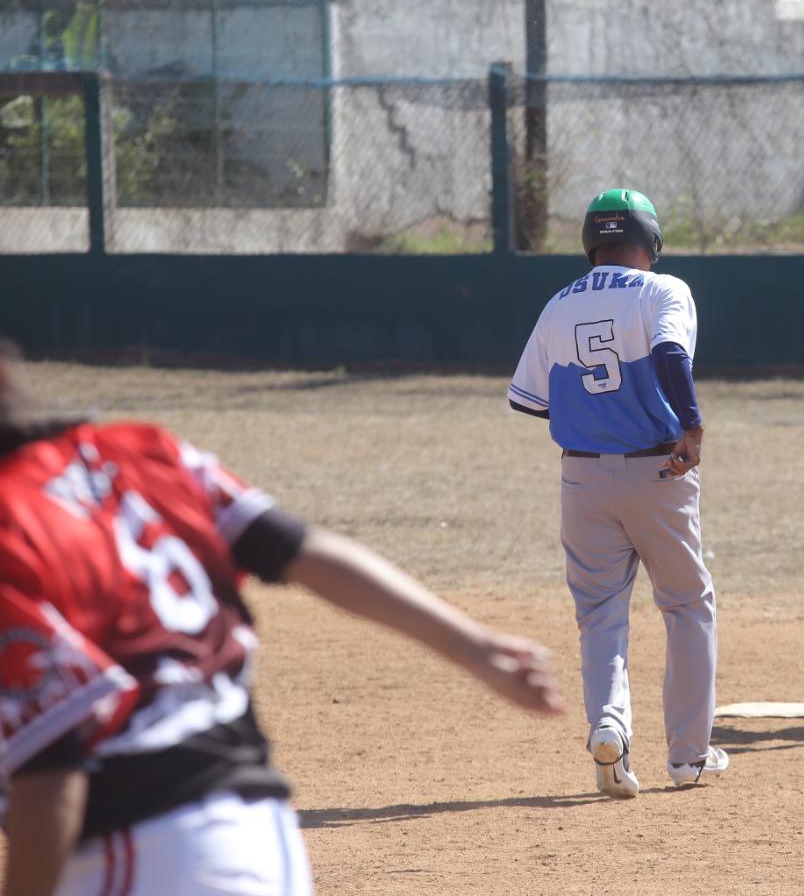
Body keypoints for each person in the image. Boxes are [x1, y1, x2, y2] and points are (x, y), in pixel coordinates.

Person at [0, 340, 564, 896]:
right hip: (256, 829)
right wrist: (475, 647)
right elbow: (305, 552)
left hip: (140, 849)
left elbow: (51, 777)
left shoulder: (9, 522)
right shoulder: (137, 451)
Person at [507, 188, 724, 800]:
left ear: (590, 244)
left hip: (581, 478)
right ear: (650, 242)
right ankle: (688, 758)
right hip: (658, 473)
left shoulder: (556, 304)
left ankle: (609, 727)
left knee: (601, 613)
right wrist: (691, 423)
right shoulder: (664, 289)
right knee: (686, 606)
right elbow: (670, 352)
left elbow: (528, 400)